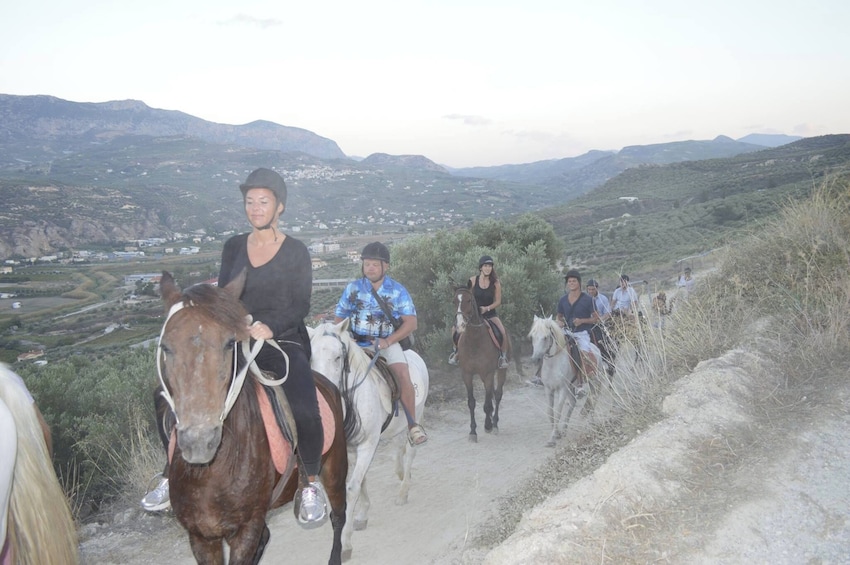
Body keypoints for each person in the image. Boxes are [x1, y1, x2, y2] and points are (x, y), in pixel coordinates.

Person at [142, 168, 330, 528]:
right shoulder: (233, 246)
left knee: (305, 405)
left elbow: (301, 305)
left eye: (264, 201)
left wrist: (268, 326)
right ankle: (170, 473)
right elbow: (224, 296)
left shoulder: (296, 251)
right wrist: (234, 323)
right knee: (172, 394)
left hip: (283, 337)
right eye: (250, 201)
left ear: (280, 207)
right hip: (237, 335)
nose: (255, 208)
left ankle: (310, 481)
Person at [334, 242, 428, 446]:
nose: (370, 268)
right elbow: (339, 318)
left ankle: (413, 425)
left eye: (375, 264)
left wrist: (388, 341)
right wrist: (345, 337)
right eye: (367, 264)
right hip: (355, 343)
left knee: (402, 374)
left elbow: (411, 323)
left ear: (386, 266)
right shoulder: (353, 289)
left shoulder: (398, 291)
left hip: (386, 343)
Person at [448, 255, 509, 369]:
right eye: (485, 266)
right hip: (473, 315)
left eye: (490, 266)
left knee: (502, 331)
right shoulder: (473, 280)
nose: (488, 268)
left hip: (490, 314)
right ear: (481, 267)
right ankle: (456, 352)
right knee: (454, 329)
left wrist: (486, 308)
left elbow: (498, 301)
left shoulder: (496, 283)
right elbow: (467, 297)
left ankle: (502, 357)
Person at [556, 269, 598, 397]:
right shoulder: (563, 300)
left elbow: (596, 318)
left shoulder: (588, 299)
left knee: (582, 352)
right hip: (567, 331)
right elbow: (559, 317)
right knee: (549, 344)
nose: (571, 283)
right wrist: (560, 322)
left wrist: (582, 321)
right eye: (569, 281)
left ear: (579, 283)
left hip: (582, 333)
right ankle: (541, 375)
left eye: (574, 281)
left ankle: (581, 384)